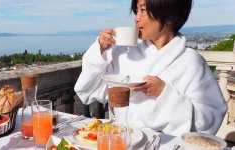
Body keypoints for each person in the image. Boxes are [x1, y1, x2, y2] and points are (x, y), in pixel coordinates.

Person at [74, 0, 227, 136]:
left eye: (143, 10)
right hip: (119, 138)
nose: (136, 18)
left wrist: (164, 93)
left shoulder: (191, 62)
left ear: (168, 17)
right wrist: (100, 50)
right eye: (136, 10)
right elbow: (87, 90)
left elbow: (210, 120)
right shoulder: (124, 52)